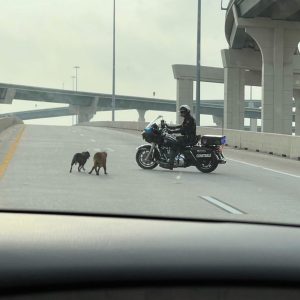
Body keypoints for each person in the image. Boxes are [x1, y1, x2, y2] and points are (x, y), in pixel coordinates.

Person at [165, 105, 197, 170]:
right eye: (181, 112)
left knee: (174, 143)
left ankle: (170, 164)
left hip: (189, 138)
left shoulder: (189, 119)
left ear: (186, 112)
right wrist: (170, 127)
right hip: (189, 137)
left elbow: (182, 130)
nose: (181, 113)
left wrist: (171, 131)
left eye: (182, 112)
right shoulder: (188, 118)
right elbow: (181, 126)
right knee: (175, 139)